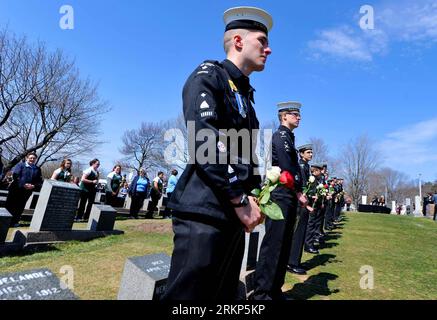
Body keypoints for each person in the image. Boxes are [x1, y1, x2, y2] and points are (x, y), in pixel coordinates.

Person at [162, 6, 270, 301]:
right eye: (262, 41)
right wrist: (238, 196)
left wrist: (256, 194)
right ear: (238, 41)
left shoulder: (246, 94)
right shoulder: (209, 75)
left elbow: (246, 153)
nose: (268, 49)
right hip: (205, 211)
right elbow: (205, 139)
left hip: (233, 214)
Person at [252, 102, 307, 300]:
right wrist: (299, 191)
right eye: (295, 114)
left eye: (299, 115)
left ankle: (275, 290)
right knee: (274, 245)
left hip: (288, 195)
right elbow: (286, 168)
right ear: (284, 116)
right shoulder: (281, 136)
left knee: (284, 246)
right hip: (281, 196)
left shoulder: (290, 138)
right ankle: (262, 294)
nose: (299, 117)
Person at [287, 144, 313, 275]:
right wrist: (306, 203)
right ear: (301, 154)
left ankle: (295, 261)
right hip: (301, 203)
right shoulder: (301, 166)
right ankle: (292, 263)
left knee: (301, 232)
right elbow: (301, 186)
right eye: (308, 152)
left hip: (304, 202)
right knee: (298, 233)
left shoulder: (306, 166)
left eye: (311, 152)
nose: (311, 154)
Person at [5, 152, 43, 227]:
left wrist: (33, 186)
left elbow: (39, 180)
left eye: (34, 158)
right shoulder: (20, 165)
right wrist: (23, 184)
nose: (32, 159)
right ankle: (5, 222)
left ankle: (15, 222)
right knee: (11, 205)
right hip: (16, 189)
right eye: (30, 158)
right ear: (26, 158)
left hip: (27, 191)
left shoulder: (37, 169)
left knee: (20, 206)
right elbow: (16, 176)